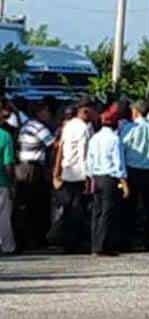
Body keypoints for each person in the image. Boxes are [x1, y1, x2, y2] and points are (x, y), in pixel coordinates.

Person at [120, 100, 149, 251]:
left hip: (132, 170)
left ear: (136, 111)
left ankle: (130, 241)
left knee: (130, 207)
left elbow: (122, 148)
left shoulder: (129, 128)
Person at [86, 108, 129, 256]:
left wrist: (90, 177)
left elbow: (89, 160)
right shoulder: (115, 139)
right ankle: (104, 246)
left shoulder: (94, 138)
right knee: (107, 212)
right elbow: (118, 163)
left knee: (97, 212)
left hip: (96, 177)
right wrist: (124, 183)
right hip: (109, 178)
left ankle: (95, 245)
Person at [55, 100, 95, 253]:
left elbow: (61, 148)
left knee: (68, 209)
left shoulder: (68, 125)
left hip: (67, 172)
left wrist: (57, 172)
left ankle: (66, 242)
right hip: (79, 174)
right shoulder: (83, 129)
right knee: (78, 210)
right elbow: (84, 154)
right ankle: (74, 243)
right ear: (85, 111)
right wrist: (88, 177)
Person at [15, 102, 55, 250]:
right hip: (33, 169)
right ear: (40, 112)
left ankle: (27, 239)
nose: (49, 114)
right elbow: (53, 144)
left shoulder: (26, 126)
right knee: (37, 204)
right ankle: (36, 239)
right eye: (46, 111)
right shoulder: (38, 127)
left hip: (23, 167)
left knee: (26, 204)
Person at [0, 103, 16, 255]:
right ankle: (7, 246)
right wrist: (12, 184)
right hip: (2, 182)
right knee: (3, 217)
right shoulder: (5, 136)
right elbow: (8, 164)